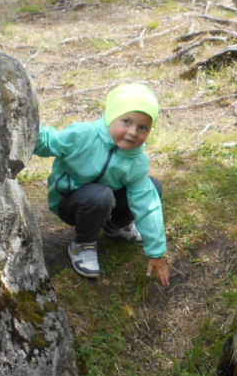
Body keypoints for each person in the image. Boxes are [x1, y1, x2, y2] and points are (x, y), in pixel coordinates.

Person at [34, 83, 170, 286]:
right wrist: (27, 128)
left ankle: (116, 227)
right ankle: (83, 243)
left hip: (106, 201)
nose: (133, 132)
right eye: (126, 121)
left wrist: (157, 251)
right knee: (100, 195)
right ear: (111, 116)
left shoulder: (137, 161)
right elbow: (48, 142)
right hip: (72, 202)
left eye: (143, 127)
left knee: (153, 187)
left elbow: (147, 205)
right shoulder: (83, 135)